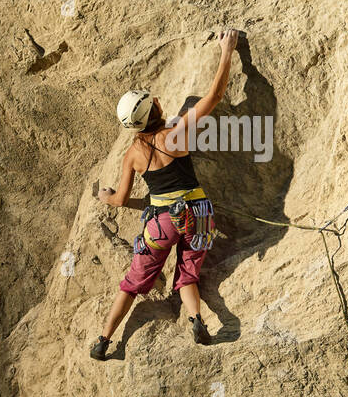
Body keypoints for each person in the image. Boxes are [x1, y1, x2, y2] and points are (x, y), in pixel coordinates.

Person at [90, 29, 240, 360]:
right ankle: (196, 318)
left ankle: (103, 341)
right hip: (198, 213)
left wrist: (105, 195)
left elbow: (118, 200)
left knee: (133, 282)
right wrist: (227, 49)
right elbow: (214, 96)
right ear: (156, 105)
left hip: (160, 222)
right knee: (187, 272)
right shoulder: (175, 134)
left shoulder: (133, 153)